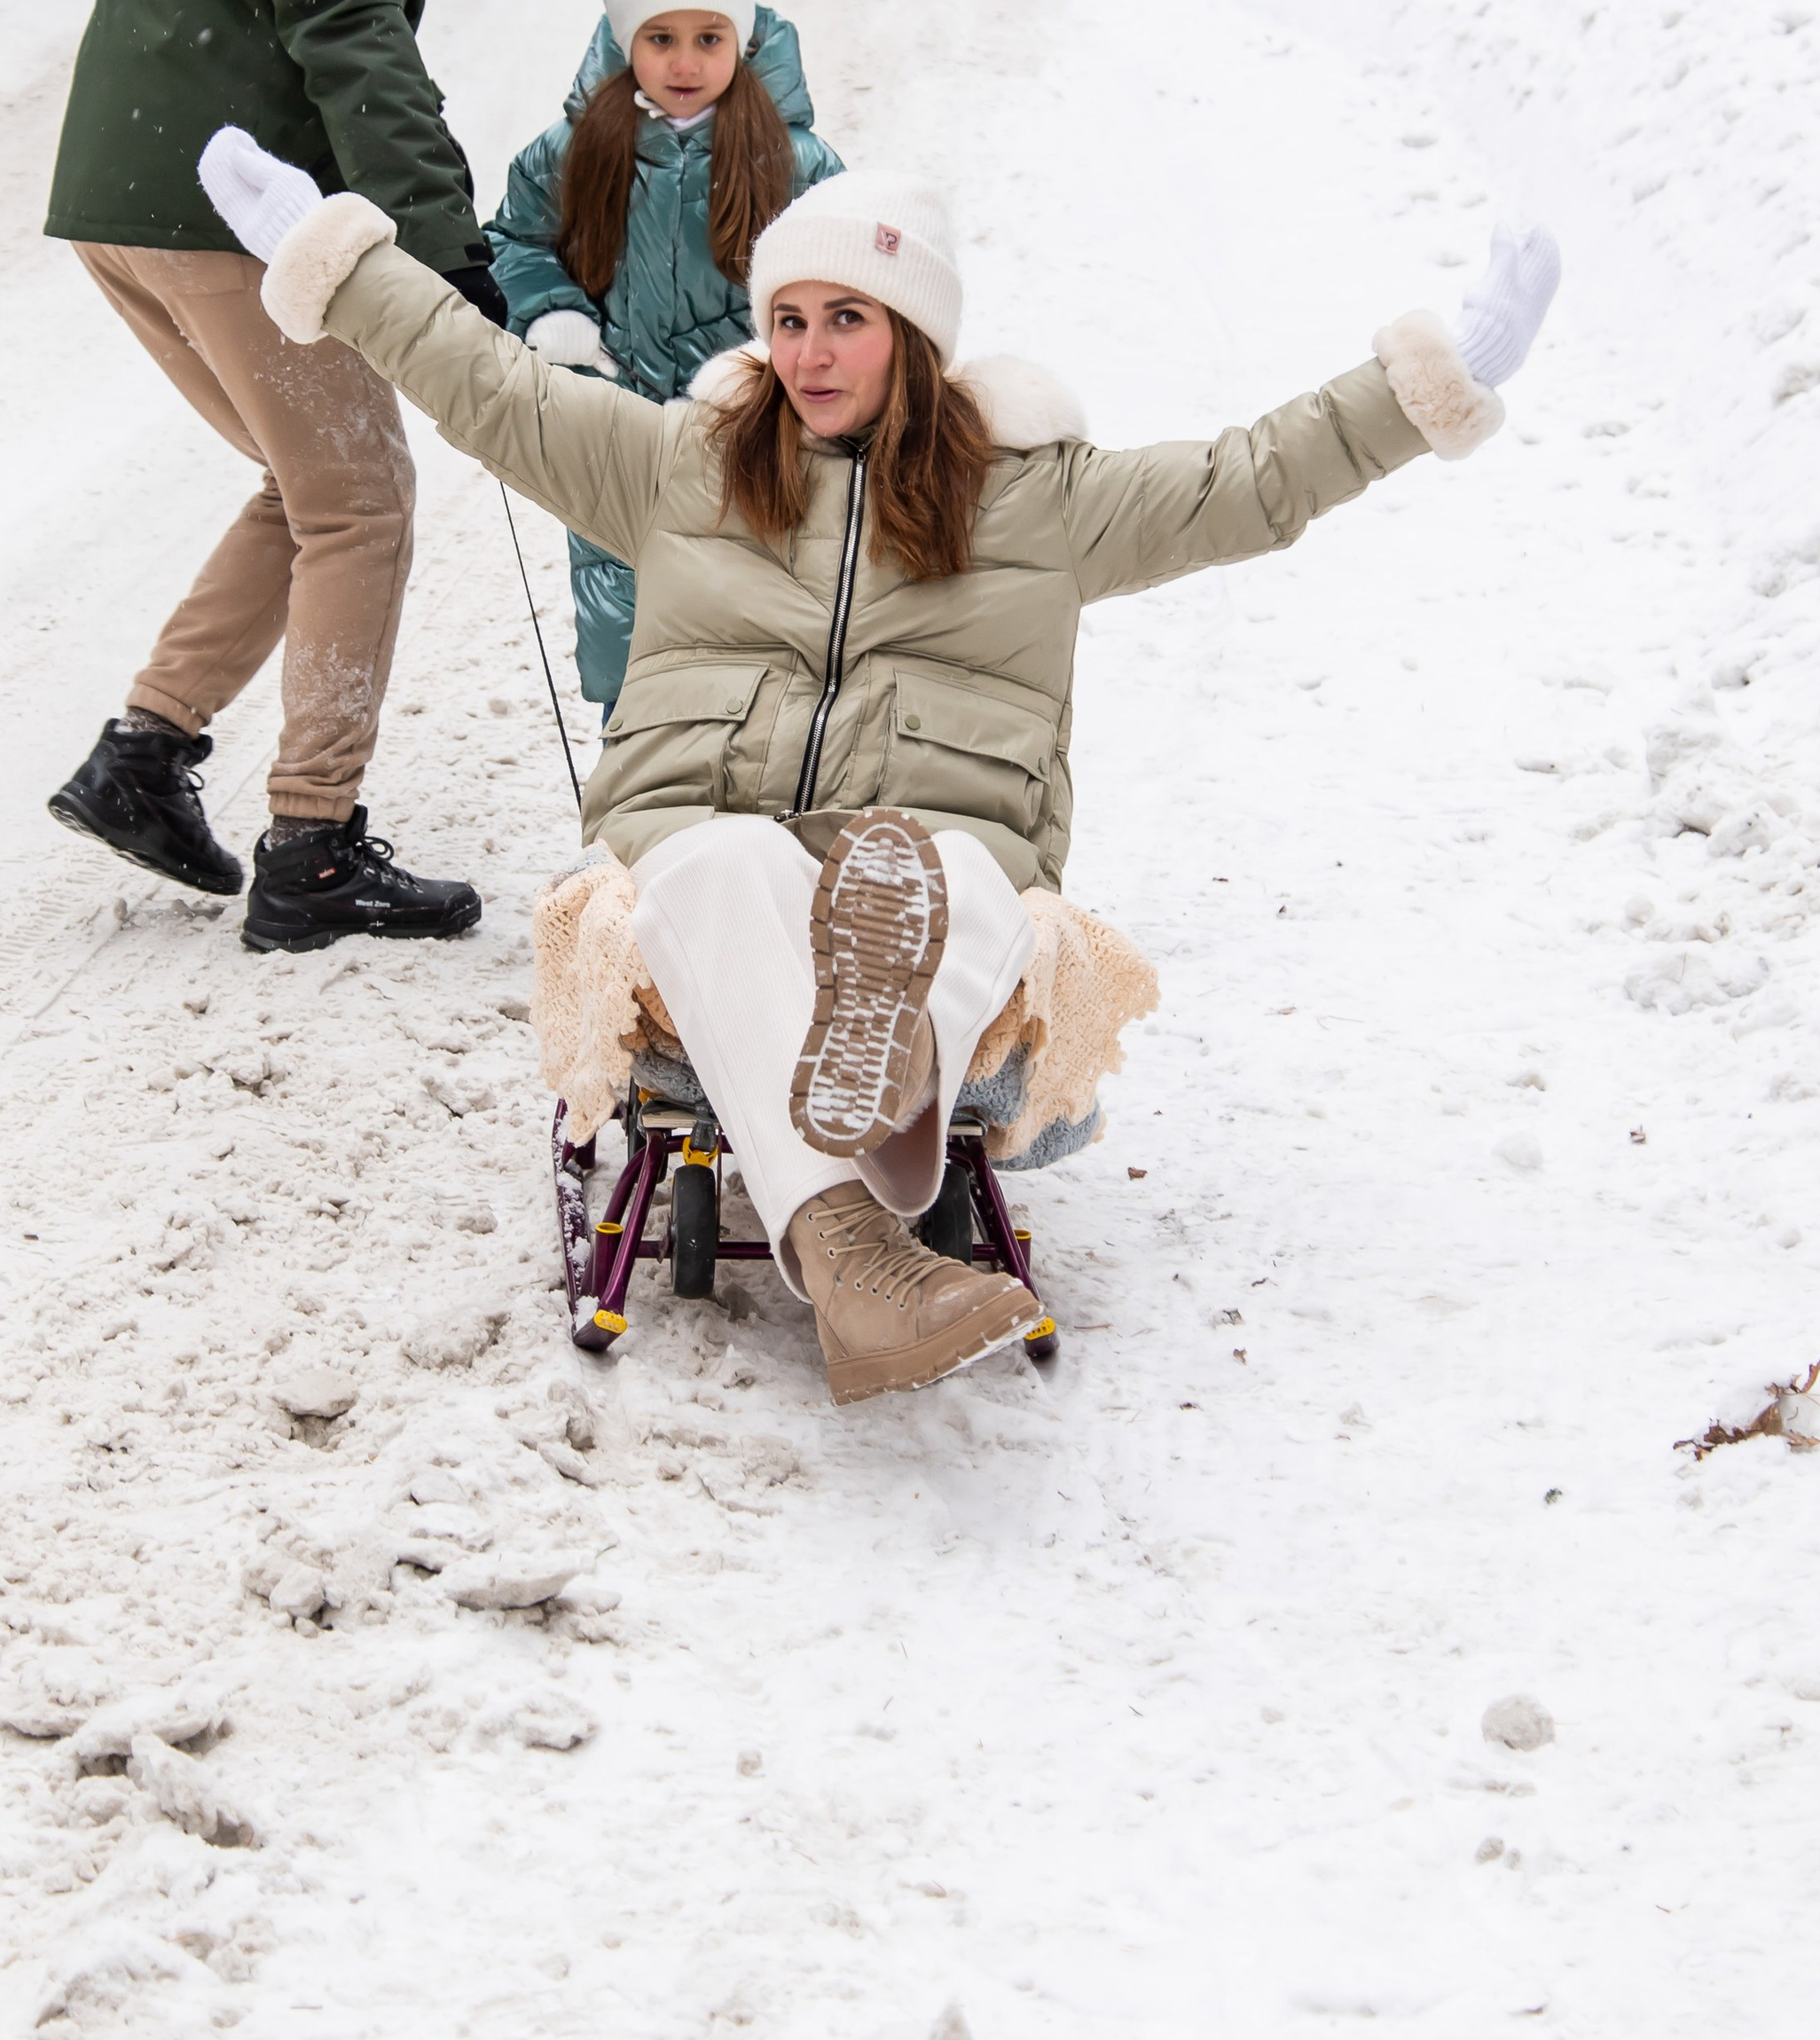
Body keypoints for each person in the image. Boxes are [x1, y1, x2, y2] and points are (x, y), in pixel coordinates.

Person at [194, 128, 1561, 1401]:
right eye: (788, 317)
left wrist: (1437, 379)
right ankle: (862, 1210)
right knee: (711, 859)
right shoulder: (684, 463)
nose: (809, 351)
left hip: (925, 861)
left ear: (916, 337)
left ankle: (879, 1083)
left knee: (961, 872)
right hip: (715, 859)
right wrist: (339, 257)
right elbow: (484, 383)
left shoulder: (1040, 497)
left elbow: (1252, 477)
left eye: (846, 317)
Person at [42, 0, 516, 955]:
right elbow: (343, 14)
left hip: (143, 187)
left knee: (310, 482)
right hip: (223, 195)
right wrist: (443, 238)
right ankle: (311, 849)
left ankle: (147, 754)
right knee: (362, 500)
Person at [487, 0, 843, 712]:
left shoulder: (795, 161)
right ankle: (633, 790)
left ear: (743, 37)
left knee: (755, 618)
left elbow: (845, 274)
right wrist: (552, 314)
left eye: (708, 38)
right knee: (630, 612)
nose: (685, 63)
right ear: (626, 39)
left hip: (756, 423)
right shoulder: (575, 149)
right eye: (661, 38)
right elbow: (515, 241)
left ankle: (751, 798)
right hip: (622, 421)